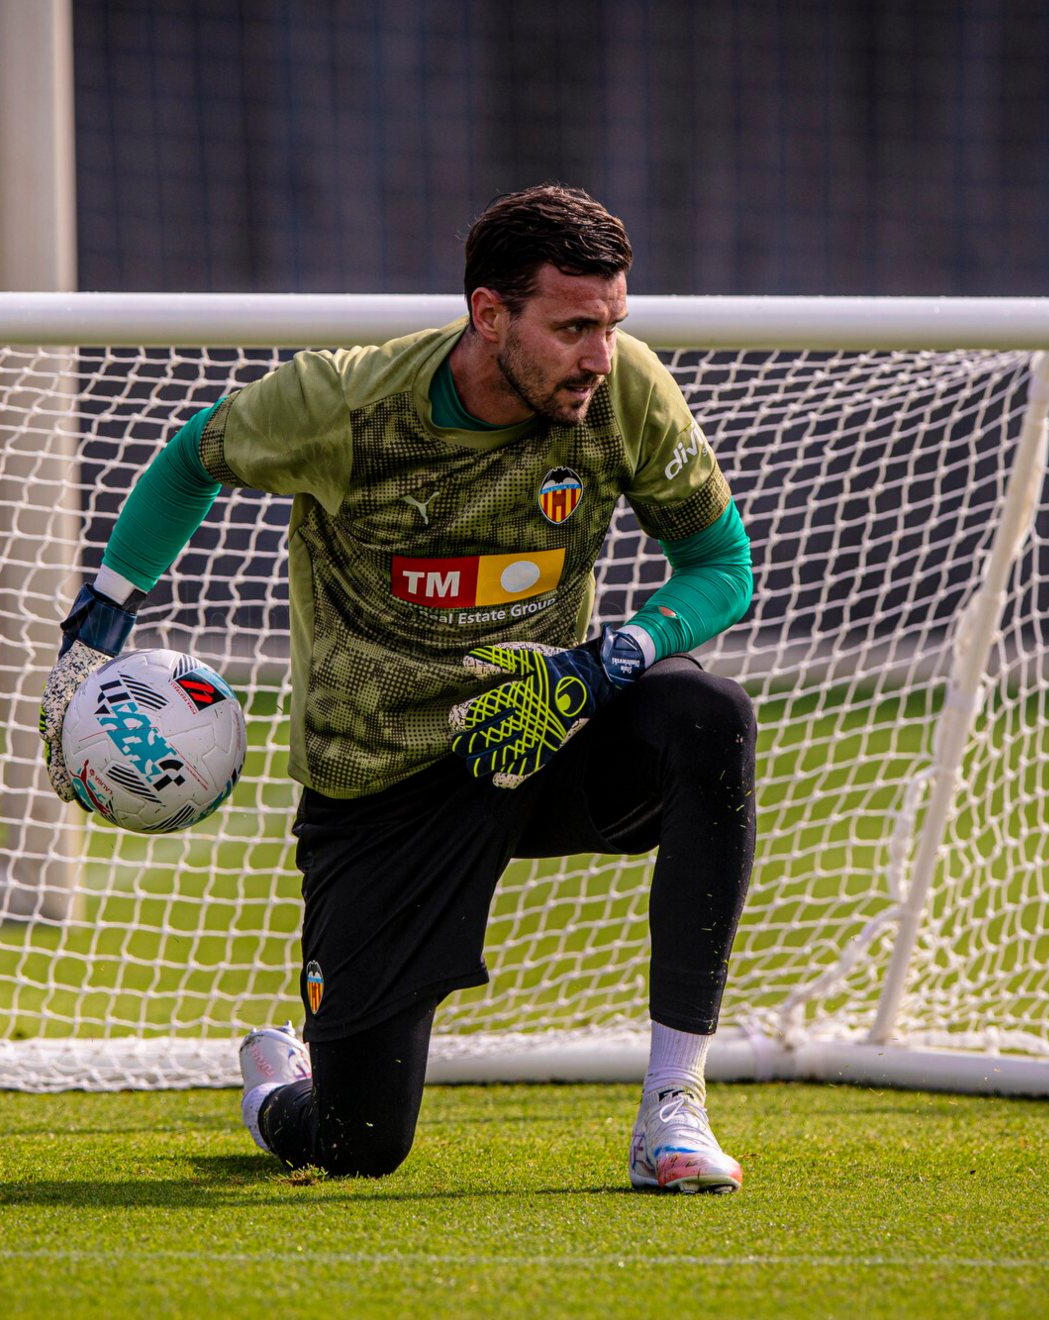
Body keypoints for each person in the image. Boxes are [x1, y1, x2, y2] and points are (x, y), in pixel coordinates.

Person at [38, 184, 757, 1193]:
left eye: (612, 323)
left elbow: (723, 565)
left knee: (708, 719)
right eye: (573, 328)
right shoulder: (347, 403)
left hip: (541, 732)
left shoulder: (625, 391)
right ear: (489, 315)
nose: (600, 355)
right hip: (385, 784)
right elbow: (193, 458)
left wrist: (606, 664)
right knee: (359, 1144)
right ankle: (279, 1085)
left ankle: (673, 1106)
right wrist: (104, 617)